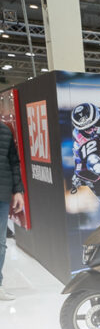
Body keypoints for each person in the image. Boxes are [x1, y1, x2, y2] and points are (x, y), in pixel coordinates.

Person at [0, 121, 24, 301]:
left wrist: (18, 191)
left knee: (0, 243)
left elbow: (14, 163)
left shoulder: (5, 131)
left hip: (2, 193)